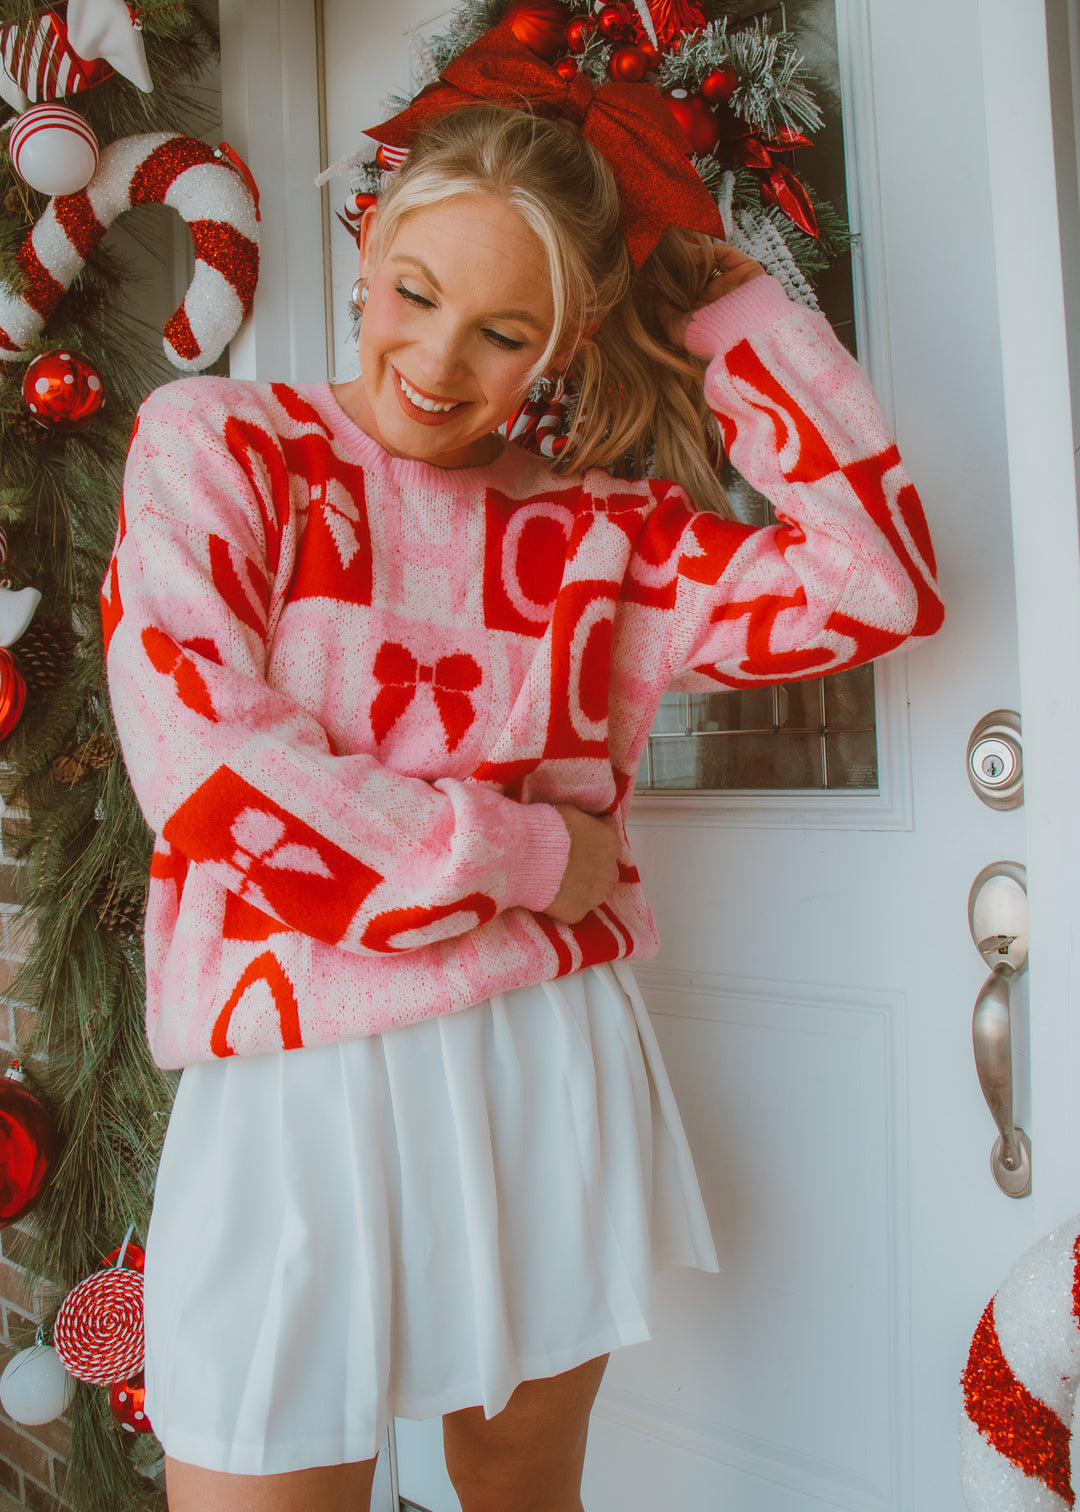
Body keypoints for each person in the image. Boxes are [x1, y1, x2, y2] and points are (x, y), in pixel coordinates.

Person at [102, 29, 943, 1512]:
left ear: (562, 344)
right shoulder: (223, 446)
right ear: (368, 251)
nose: (439, 363)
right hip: (295, 1072)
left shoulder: (601, 534)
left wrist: (709, 283)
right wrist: (543, 861)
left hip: (539, 1061)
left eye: (505, 331)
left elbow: (879, 585)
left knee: (526, 1488)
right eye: (419, 295)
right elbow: (211, 770)